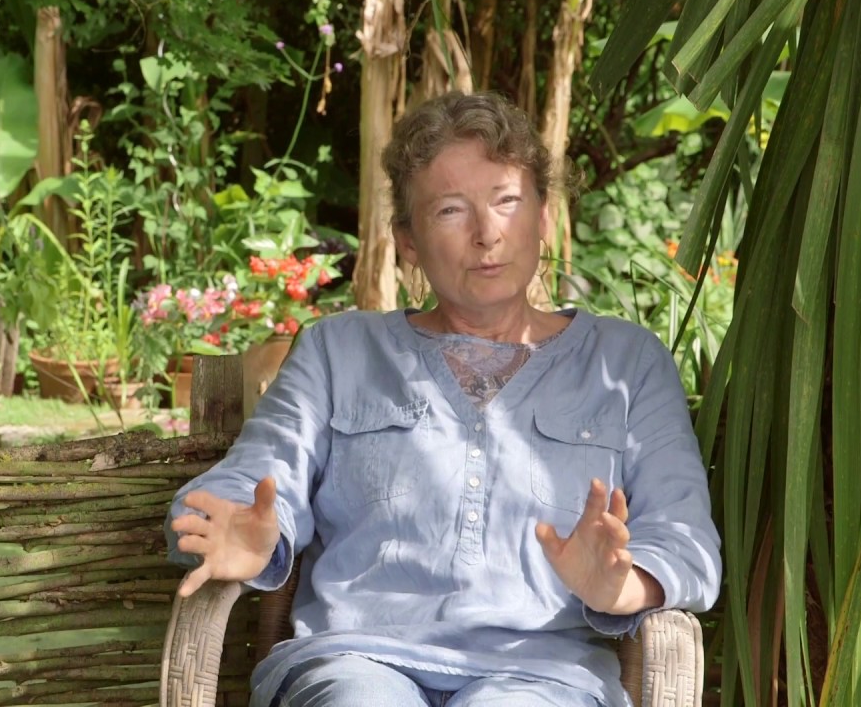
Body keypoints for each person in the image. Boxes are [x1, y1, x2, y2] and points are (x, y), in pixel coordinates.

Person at [164, 91, 721, 707]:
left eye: (507, 201)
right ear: (407, 239)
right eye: (452, 210)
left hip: (542, 679)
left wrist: (622, 586)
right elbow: (235, 495)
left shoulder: (626, 363)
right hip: (355, 660)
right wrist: (253, 541)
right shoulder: (337, 351)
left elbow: (686, 540)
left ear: (541, 215)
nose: (488, 235)